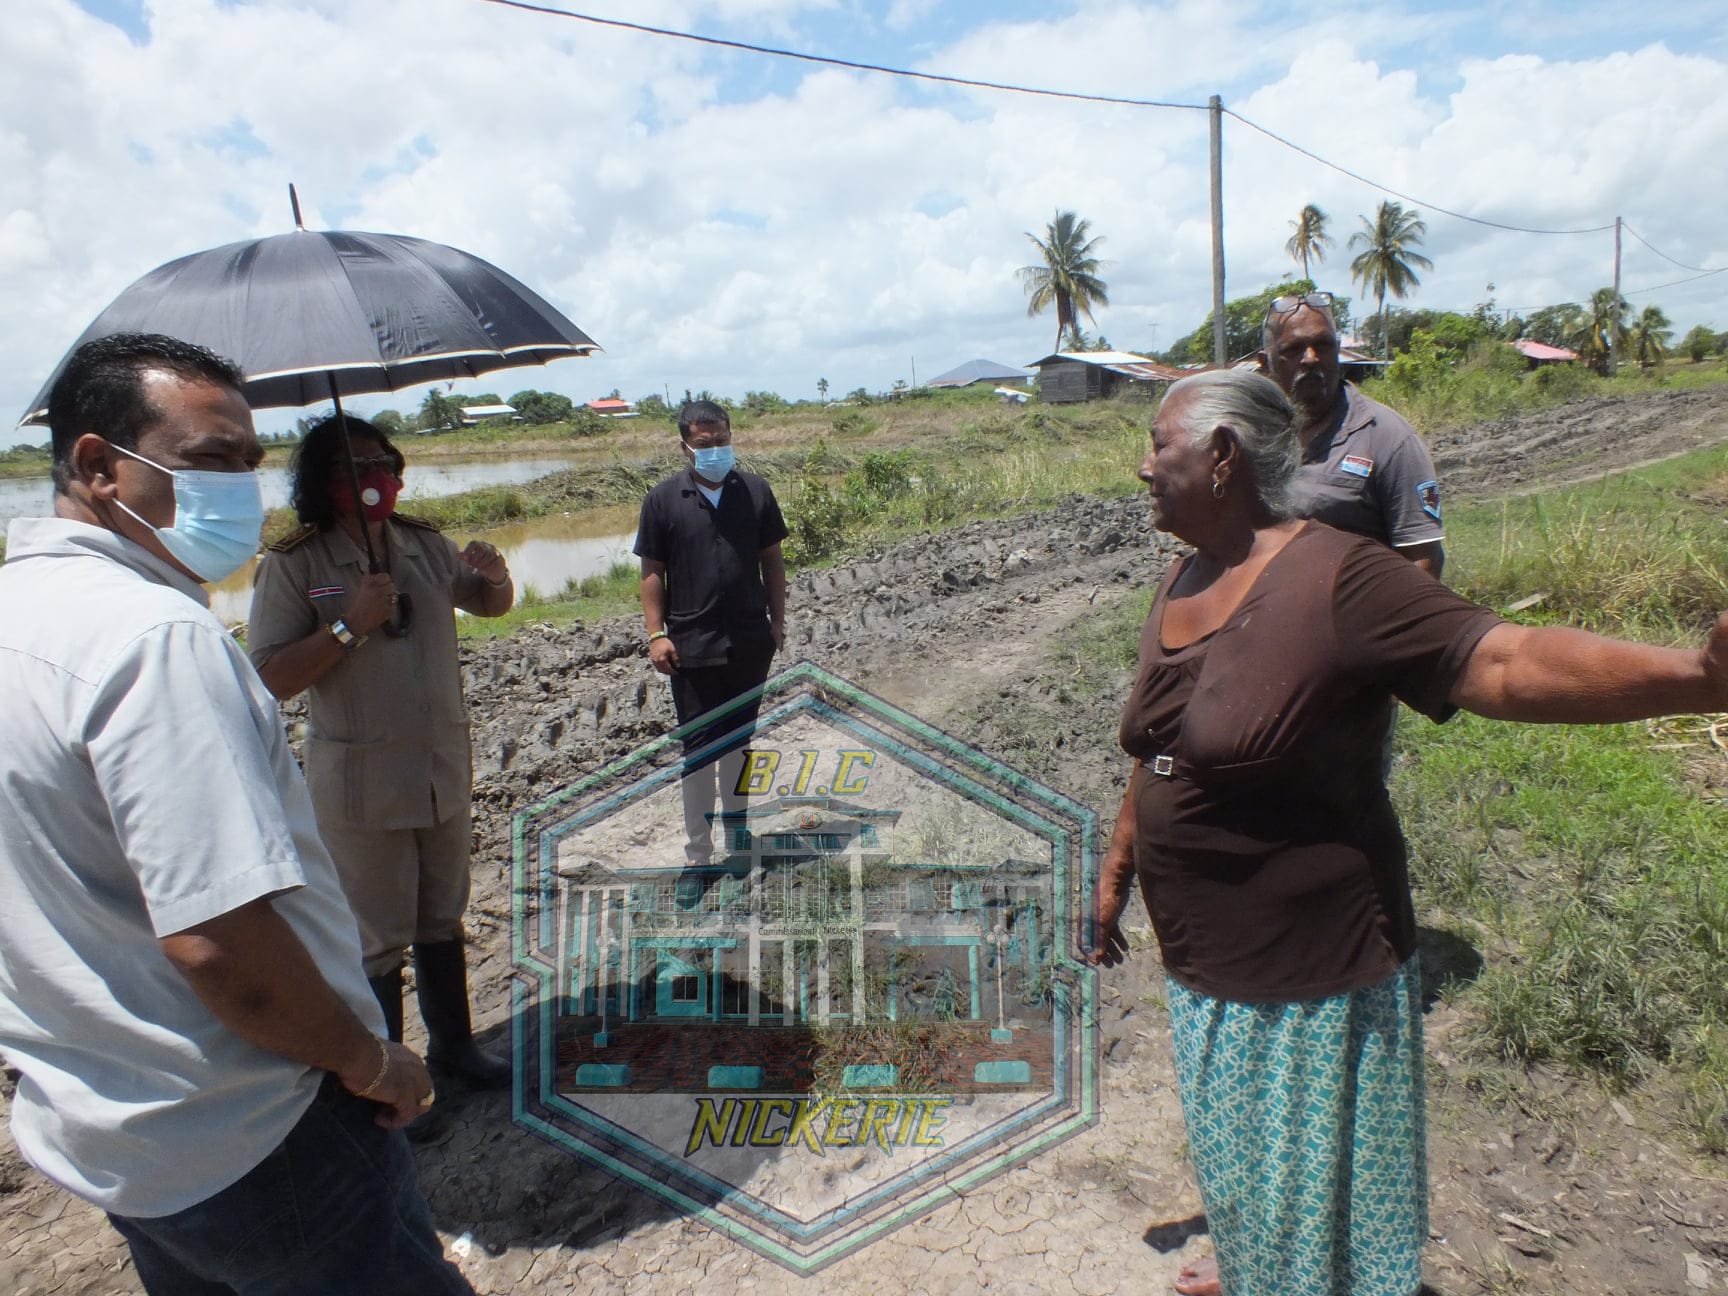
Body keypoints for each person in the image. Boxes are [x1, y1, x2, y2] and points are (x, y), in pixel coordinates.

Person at [1089, 368, 1728, 1296]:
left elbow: (1503, 660)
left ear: (1222, 458)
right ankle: (1259, 1265)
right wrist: (1117, 870)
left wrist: (1697, 677)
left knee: (1313, 1199)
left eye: (1160, 447)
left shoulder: (1341, 580)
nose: (1145, 469)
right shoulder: (1186, 574)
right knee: (1254, 1181)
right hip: (1209, 963)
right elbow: (1158, 750)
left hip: (1308, 970)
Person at [0, 333, 473, 1294]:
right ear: (97, 465)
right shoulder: (155, 638)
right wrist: (368, 1063)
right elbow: (219, 938)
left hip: (119, 1130)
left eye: (247, 466)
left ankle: (463, 1042)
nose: (235, 494)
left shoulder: (22, 611)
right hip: (259, 1122)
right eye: (211, 461)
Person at [248, 414, 513, 1096]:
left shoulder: (423, 543)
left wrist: (496, 576)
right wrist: (346, 626)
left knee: (440, 916)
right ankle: (388, 1081)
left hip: (439, 770)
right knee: (375, 939)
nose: (373, 482)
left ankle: (455, 1049)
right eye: (352, 469)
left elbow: (486, 605)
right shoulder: (295, 563)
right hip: (365, 786)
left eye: (381, 464)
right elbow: (270, 675)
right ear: (321, 483)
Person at [635, 399, 788, 865]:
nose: (716, 450)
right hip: (690, 648)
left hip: (748, 644)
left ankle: (739, 845)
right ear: (685, 447)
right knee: (699, 754)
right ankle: (698, 858)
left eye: (722, 440)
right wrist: (656, 634)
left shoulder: (756, 491)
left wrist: (777, 623)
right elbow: (651, 572)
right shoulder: (662, 500)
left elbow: (773, 562)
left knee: (739, 748)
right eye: (705, 444)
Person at [1259, 290, 1444, 578]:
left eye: (1323, 345)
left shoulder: (1387, 437)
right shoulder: (1253, 437)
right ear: (1265, 363)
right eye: (1294, 349)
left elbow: (1423, 561)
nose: (1311, 358)